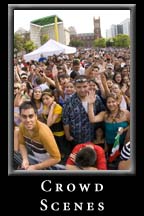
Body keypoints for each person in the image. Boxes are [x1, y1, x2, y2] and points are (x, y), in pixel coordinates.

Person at [13, 101, 61, 170]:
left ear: (36, 116)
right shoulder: (22, 126)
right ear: (20, 116)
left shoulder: (43, 132)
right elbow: (21, 144)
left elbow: (56, 158)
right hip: (37, 159)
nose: (28, 120)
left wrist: (35, 167)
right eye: (24, 116)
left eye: (31, 116)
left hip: (49, 163)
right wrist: (25, 159)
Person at [62, 75, 105, 149]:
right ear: (75, 87)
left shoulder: (96, 98)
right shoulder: (68, 102)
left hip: (92, 135)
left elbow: (102, 111)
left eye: (84, 86)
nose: (82, 90)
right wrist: (68, 135)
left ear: (88, 86)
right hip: (76, 137)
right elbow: (66, 120)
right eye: (79, 87)